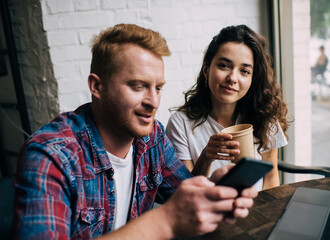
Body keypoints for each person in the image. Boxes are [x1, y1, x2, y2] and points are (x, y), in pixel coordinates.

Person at [12, 24, 258, 239]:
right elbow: (171, 216)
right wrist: (164, 221)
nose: (153, 102)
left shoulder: (152, 138)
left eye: (158, 88)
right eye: (138, 86)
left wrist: (214, 191)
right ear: (97, 86)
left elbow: (183, 193)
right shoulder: (51, 156)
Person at [166, 25, 290, 190]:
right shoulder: (180, 123)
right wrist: (206, 157)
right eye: (224, 66)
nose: (232, 78)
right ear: (206, 70)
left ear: (253, 79)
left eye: (244, 71)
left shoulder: (263, 115)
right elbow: (185, 192)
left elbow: (270, 176)